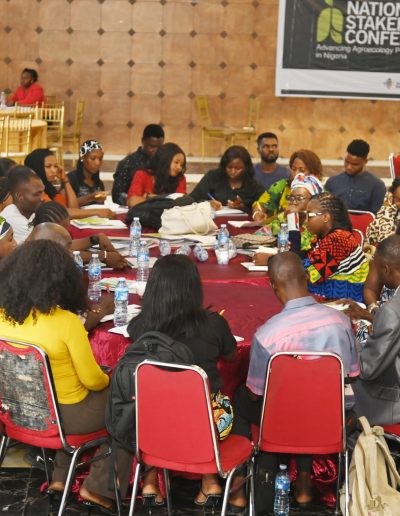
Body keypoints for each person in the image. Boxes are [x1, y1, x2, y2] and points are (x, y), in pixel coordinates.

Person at [0, 240, 132, 511]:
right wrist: (109, 379)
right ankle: (98, 487)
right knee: (128, 403)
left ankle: (60, 479)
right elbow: (92, 381)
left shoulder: (2, 317)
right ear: (62, 281)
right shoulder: (66, 322)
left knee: (64, 391)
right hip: (67, 418)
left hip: (14, 414)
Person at [229, 252, 359, 510]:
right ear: (307, 276)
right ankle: (304, 481)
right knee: (310, 400)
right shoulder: (341, 322)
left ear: (272, 285)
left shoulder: (267, 335)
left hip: (284, 419)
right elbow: (353, 374)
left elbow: (256, 393)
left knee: (242, 398)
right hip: (330, 416)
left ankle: (240, 485)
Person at [127, 255, 237, 507]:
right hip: (208, 424)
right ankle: (210, 479)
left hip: (153, 425)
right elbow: (231, 356)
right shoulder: (213, 324)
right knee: (227, 400)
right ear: (194, 288)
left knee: (150, 405)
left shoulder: (140, 327)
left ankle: (150, 480)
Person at [349, 235, 400, 426]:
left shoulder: (392, 310)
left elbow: (367, 369)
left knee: (333, 389)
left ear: (386, 269)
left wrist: (350, 342)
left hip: (392, 402)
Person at [31, 201, 129, 269]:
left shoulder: (43, 237)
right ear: (48, 230)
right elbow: (64, 255)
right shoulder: (34, 251)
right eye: (64, 230)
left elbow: (68, 245)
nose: (68, 233)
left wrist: (94, 239)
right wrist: (103, 256)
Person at [25, 149, 115, 220]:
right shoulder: (35, 192)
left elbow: (73, 208)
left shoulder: (49, 189)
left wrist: (65, 180)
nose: (54, 170)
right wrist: (96, 212)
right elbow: (60, 213)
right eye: (48, 166)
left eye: (55, 166)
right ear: (37, 168)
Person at [256, 173, 323, 251]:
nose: (294, 202)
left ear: (312, 200)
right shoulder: (286, 216)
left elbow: (300, 248)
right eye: (291, 198)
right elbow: (259, 234)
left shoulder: (316, 222)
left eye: (299, 198)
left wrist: (293, 222)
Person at [252, 148, 323, 220]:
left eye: (302, 170)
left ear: (313, 173)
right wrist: (257, 213)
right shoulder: (281, 186)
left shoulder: (321, 193)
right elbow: (260, 205)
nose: (296, 174)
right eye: (294, 169)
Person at [190, 145, 264, 213]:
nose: (233, 171)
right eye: (229, 167)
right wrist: (208, 203)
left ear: (246, 168)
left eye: (238, 168)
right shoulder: (213, 177)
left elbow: (263, 208)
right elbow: (193, 199)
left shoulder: (253, 185)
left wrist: (243, 208)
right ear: (224, 165)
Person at [325, 139, 386, 214]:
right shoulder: (332, 182)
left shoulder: (377, 186)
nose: (349, 167)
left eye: (355, 164)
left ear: (365, 161)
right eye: (347, 161)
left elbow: (376, 215)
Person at [112, 124, 165, 205]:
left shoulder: (164, 162)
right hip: (133, 209)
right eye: (152, 146)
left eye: (159, 147)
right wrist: (138, 200)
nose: (156, 150)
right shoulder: (128, 163)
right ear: (143, 141)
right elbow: (117, 194)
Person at [126, 142, 187, 207]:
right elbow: (132, 201)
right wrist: (167, 201)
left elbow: (182, 203)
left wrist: (151, 198)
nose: (179, 168)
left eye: (181, 165)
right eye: (176, 162)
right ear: (165, 160)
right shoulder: (142, 174)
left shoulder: (180, 179)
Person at [0, 166, 45, 244]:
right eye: (37, 194)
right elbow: (40, 247)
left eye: (42, 192)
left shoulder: (30, 213)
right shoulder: (11, 218)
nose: (43, 198)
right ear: (20, 197)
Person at [68, 140, 108, 206]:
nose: (97, 163)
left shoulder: (99, 184)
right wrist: (91, 198)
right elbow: (64, 204)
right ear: (82, 158)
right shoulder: (71, 178)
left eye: (100, 159)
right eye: (93, 158)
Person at [366, 178, 400, 245]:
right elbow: (390, 243)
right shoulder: (384, 216)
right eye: (399, 200)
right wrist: (389, 207)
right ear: (392, 197)